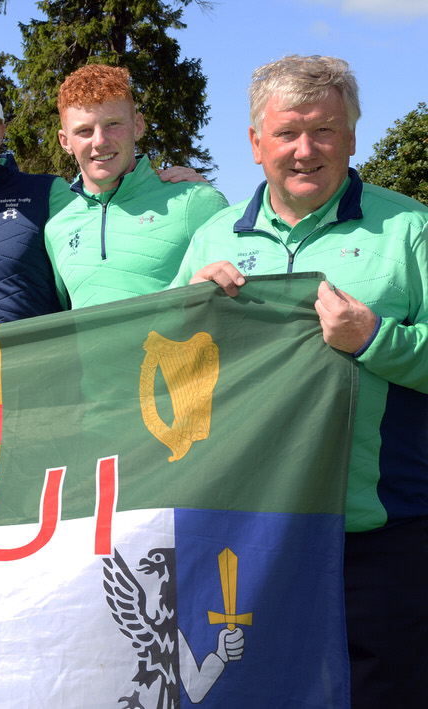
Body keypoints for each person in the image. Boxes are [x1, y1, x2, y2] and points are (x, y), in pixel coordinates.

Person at [171, 55, 428, 707]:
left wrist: (376, 339)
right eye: (288, 132)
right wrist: (187, 316)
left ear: (351, 137)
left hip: (380, 533)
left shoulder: (408, 231)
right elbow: (160, 374)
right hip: (249, 532)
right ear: (256, 143)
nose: (305, 150)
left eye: (325, 131)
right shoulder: (211, 239)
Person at [0, 75, 206, 333]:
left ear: (0, 131)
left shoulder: (48, 192)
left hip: (38, 380)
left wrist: (163, 185)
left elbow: (106, 202)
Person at [45, 64, 228, 307]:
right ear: (65, 141)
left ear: (138, 126)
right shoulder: (56, 228)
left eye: (113, 124)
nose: (99, 141)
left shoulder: (195, 201)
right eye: (84, 131)